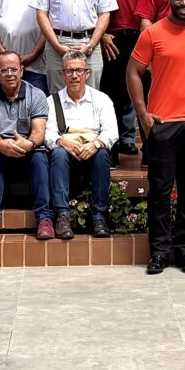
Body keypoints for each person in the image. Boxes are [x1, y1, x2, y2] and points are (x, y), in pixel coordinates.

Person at [128, 0, 185, 275]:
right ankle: (160, 252)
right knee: (160, 191)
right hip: (162, 124)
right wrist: (143, 114)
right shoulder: (152, 33)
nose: (184, 3)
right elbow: (133, 72)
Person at [100, 0, 170, 153]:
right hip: (113, 41)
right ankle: (113, 149)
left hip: (147, 38)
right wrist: (102, 34)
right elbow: (94, 4)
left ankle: (151, 151)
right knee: (113, 96)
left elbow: (162, 6)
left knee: (150, 94)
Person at [0, 51, 56, 242]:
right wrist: (0, 144)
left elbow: (38, 132)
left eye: (13, 69)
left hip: (29, 149)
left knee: (40, 157)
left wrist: (28, 144)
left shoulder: (36, 95)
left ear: (21, 70)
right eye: (4, 70)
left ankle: (44, 218)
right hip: (1, 149)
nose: (10, 74)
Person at [46, 53, 118, 236]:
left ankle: (99, 217)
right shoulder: (52, 101)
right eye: (69, 71)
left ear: (87, 73)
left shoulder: (101, 99)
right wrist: (61, 141)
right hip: (66, 153)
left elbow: (111, 131)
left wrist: (96, 144)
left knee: (102, 153)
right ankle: (62, 216)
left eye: (79, 70)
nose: (74, 76)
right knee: (58, 153)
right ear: (62, 75)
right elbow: (47, 132)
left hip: (92, 151)